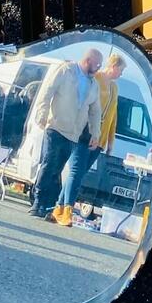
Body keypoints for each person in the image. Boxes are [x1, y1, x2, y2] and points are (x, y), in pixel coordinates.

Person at [29, 49, 102, 225]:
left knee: (59, 169)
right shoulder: (65, 70)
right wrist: (41, 114)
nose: (99, 68)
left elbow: (95, 111)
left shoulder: (94, 85)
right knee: (49, 163)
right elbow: (47, 91)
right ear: (88, 60)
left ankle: (48, 206)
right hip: (55, 126)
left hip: (73, 133)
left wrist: (95, 133)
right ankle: (37, 201)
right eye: (97, 64)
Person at [59, 51, 125, 223]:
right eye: (121, 70)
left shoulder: (115, 87)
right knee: (75, 171)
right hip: (83, 132)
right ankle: (67, 210)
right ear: (113, 66)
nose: (121, 74)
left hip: (100, 138)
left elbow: (113, 115)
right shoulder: (96, 78)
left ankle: (58, 206)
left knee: (80, 174)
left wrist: (110, 141)